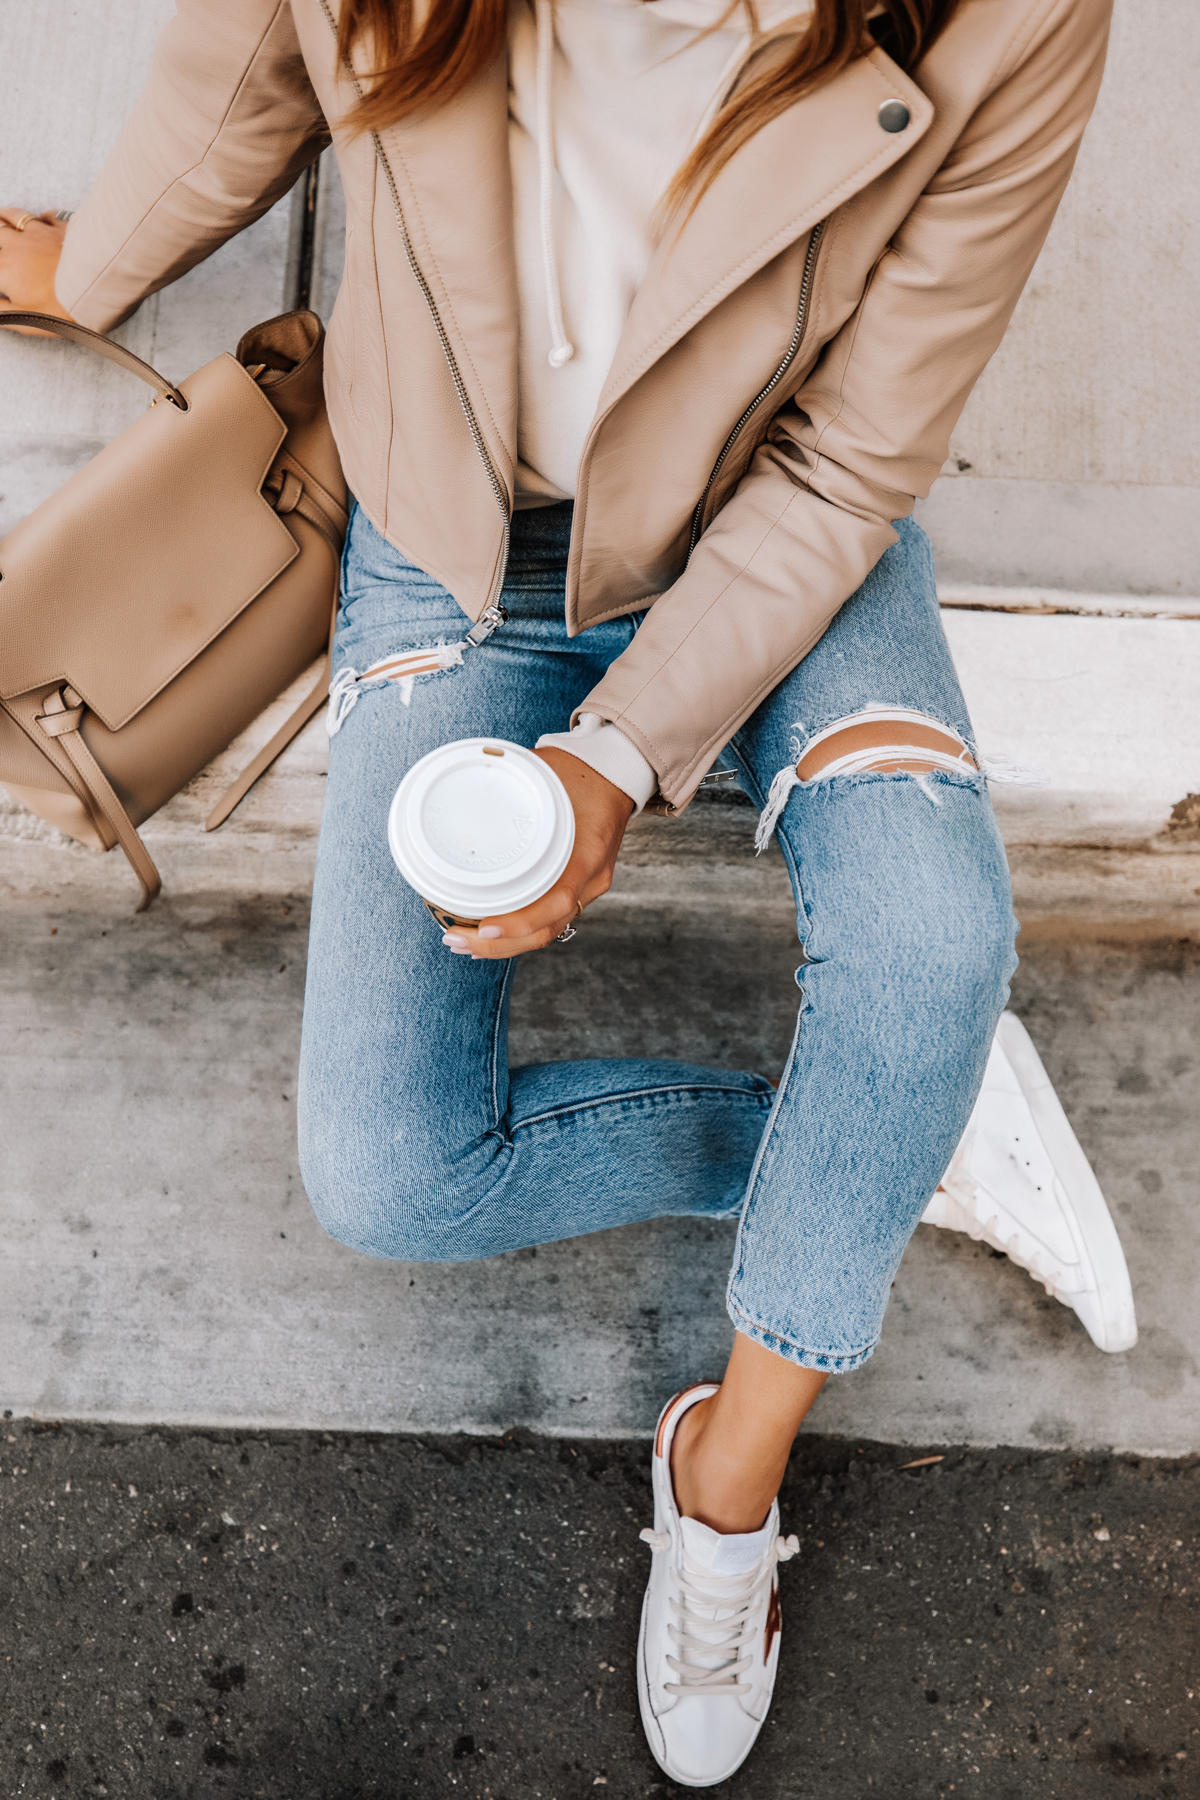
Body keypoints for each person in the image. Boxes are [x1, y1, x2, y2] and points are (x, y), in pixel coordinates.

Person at [0, 0, 1127, 1782]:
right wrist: (100, 265)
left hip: (780, 535)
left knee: (931, 944)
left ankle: (727, 1479)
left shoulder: (1020, 12)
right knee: (391, 1176)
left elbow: (848, 466)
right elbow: (249, 70)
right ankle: (908, 1131)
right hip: (460, 541)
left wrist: (619, 757)